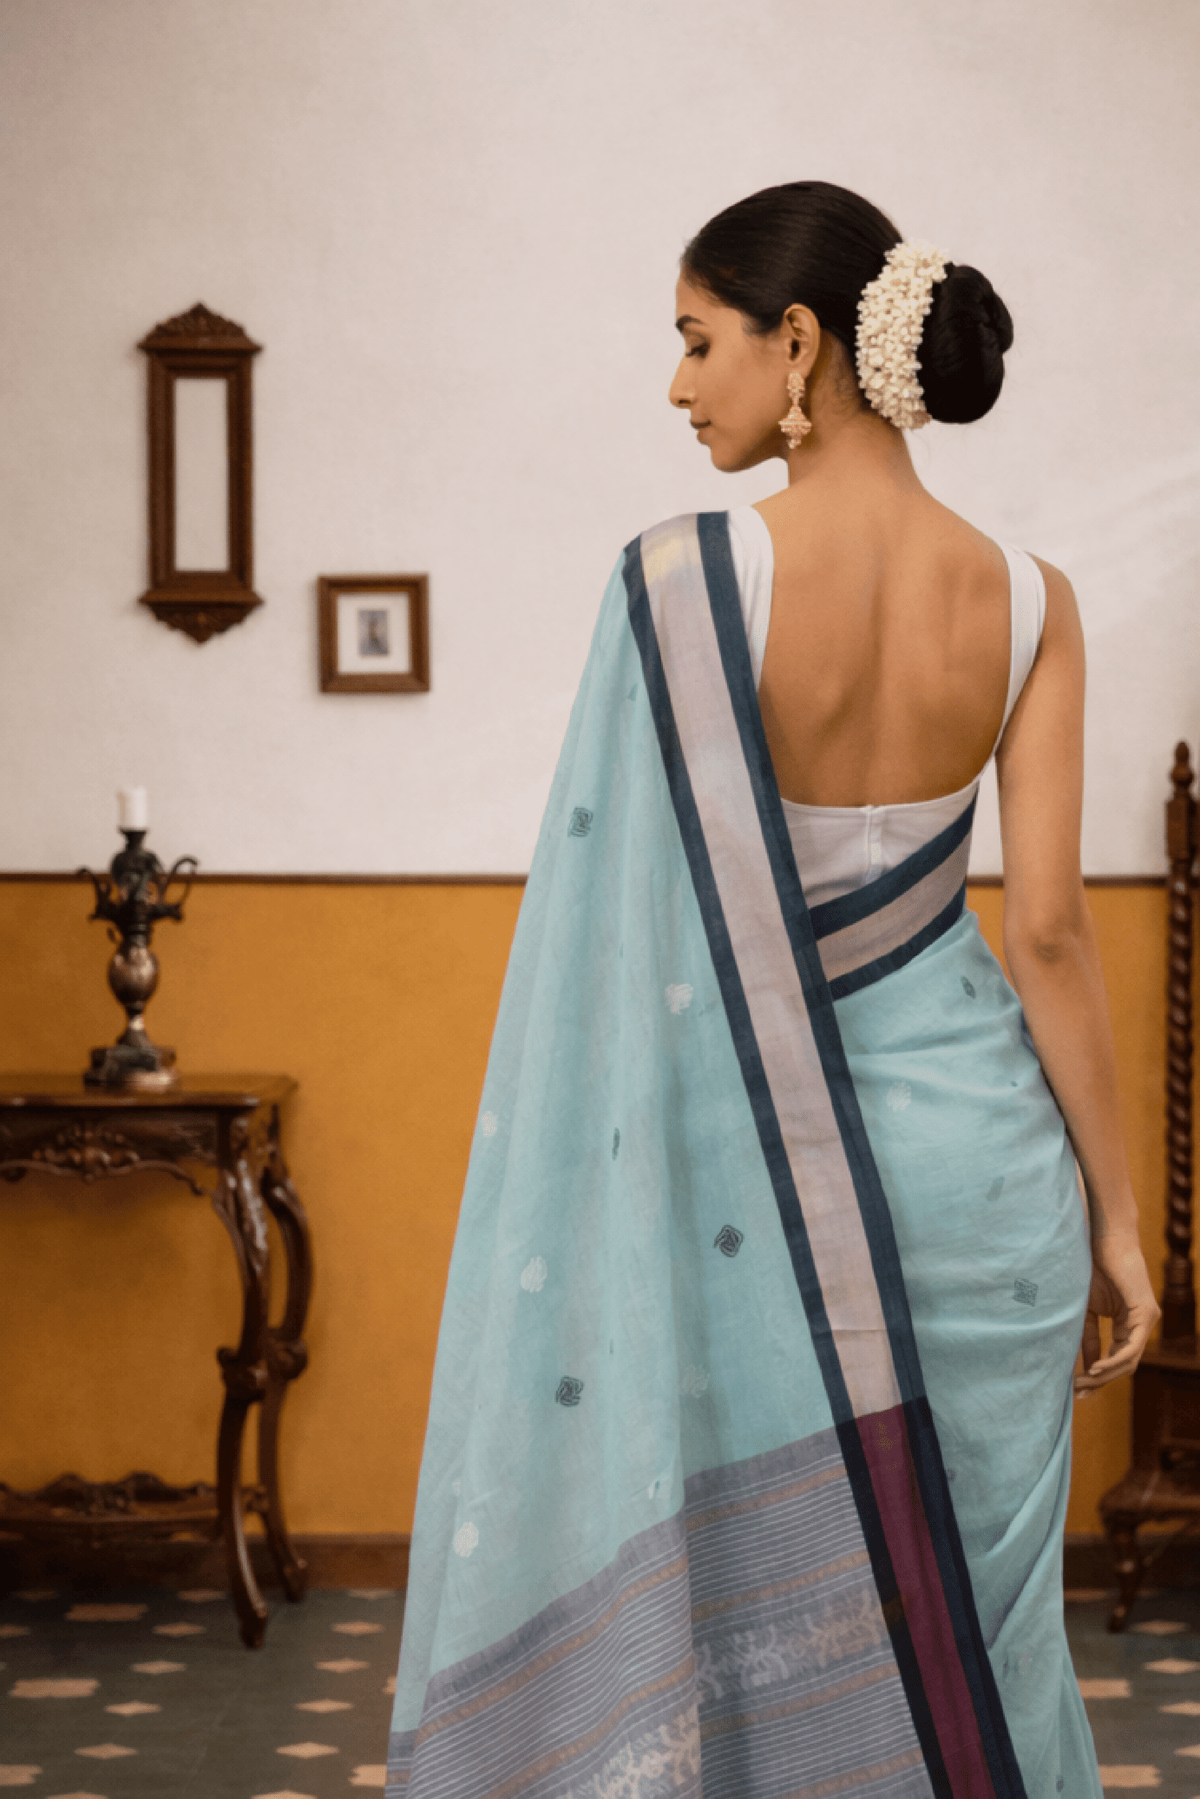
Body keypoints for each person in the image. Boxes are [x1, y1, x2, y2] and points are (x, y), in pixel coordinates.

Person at [386, 181, 1159, 1799]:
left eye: (697, 341)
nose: (678, 385)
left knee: (765, 1632)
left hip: (751, 1191)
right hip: (990, 1182)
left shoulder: (685, 581)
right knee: (992, 1642)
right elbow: (1049, 933)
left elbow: (619, 935)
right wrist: (1120, 1215)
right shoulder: (1030, 598)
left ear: (797, 341)